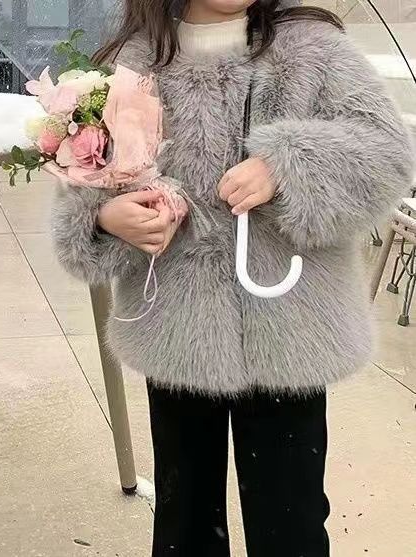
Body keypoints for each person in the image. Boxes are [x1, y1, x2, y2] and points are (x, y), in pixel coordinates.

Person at [52, 0, 415, 555]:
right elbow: (85, 177)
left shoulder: (311, 49)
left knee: (289, 516)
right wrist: (104, 217)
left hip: (291, 327)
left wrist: (287, 163)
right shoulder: (134, 63)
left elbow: (387, 154)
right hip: (177, 326)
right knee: (184, 514)